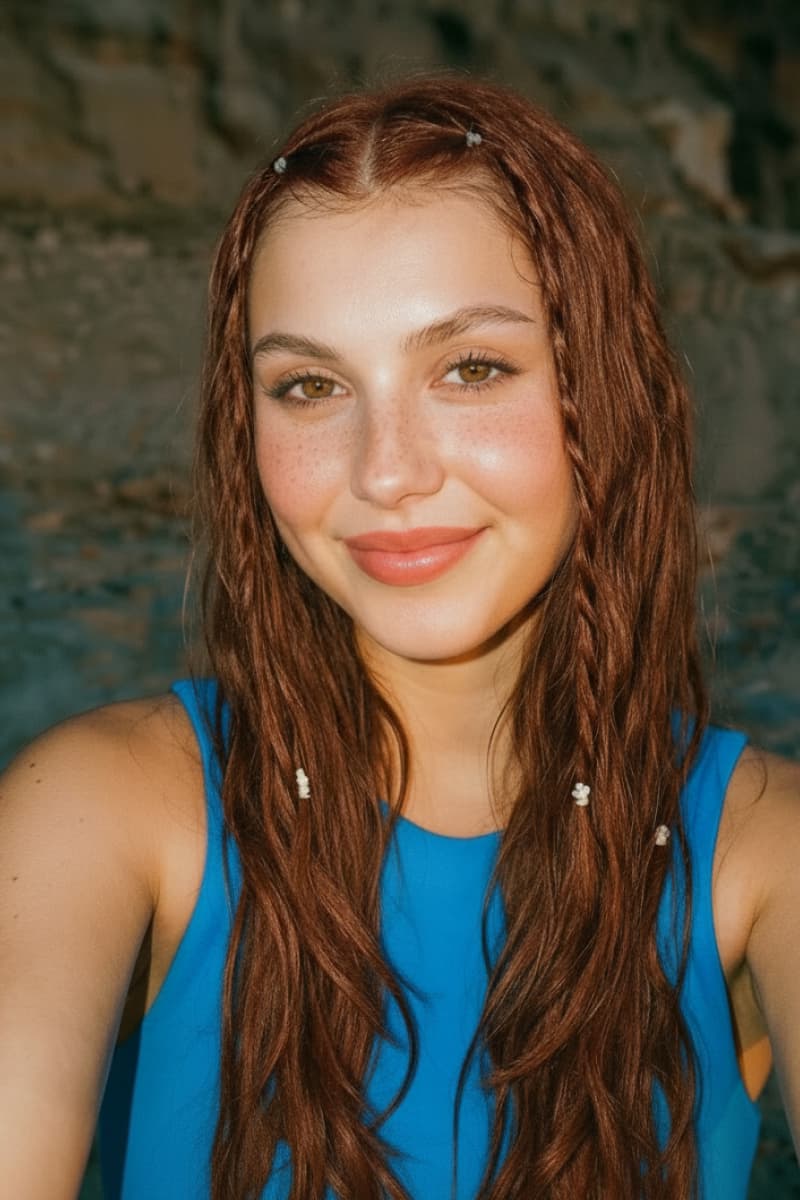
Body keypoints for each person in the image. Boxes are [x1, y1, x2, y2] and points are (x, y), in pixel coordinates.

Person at [1, 72, 798, 1200]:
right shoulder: (97, 811)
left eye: (471, 369)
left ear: (605, 389)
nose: (385, 472)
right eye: (309, 385)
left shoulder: (760, 854)